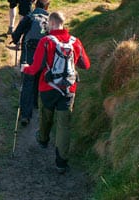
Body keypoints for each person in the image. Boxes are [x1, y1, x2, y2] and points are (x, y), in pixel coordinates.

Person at [22, 11, 90, 174]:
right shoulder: (75, 42)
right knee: (64, 125)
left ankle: (43, 139)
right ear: (63, 24)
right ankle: (61, 162)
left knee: (46, 116)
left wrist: (26, 69)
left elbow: (36, 67)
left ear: (51, 24)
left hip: (47, 87)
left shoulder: (46, 41)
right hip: (68, 89)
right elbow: (86, 65)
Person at [11, 0, 50, 126]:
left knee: (27, 82)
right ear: (46, 8)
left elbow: (16, 34)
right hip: (42, 55)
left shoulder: (29, 18)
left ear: (35, 5)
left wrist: (16, 41)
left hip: (28, 52)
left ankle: (25, 115)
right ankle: (35, 104)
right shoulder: (49, 21)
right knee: (38, 78)